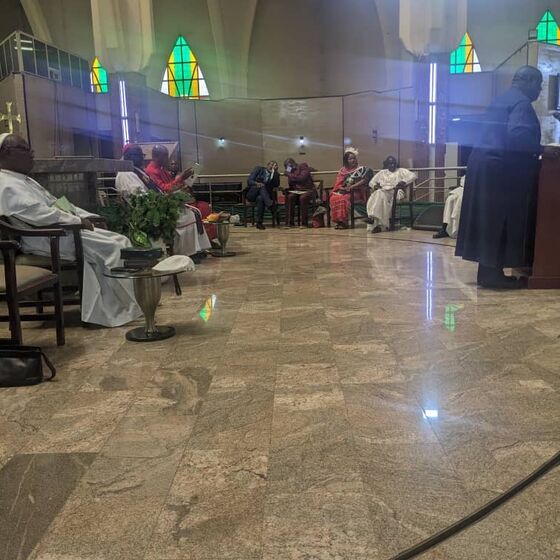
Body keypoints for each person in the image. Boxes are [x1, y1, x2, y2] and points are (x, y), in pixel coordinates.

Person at [0, 133, 141, 327]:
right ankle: (118, 307)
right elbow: (39, 214)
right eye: (25, 149)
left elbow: (58, 204)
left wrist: (88, 216)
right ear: (6, 153)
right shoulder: (6, 184)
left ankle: (128, 303)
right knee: (114, 248)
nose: (32, 154)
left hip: (61, 230)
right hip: (46, 238)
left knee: (121, 240)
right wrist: (77, 221)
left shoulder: (24, 180)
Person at [456, 65, 558, 289]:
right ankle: (492, 275)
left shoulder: (501, 99)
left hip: (484, 164)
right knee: (499, 220)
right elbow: (518, 137)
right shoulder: (521, 104)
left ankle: (488, 272)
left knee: (489, 221)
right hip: (500, 170)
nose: (540, 90)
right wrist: (544, 150)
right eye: (539, 85)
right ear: (529, 82)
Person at [115, 144, 211, 257]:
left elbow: (157, 190)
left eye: (141, 155)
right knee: (188, 215)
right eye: (137, 155)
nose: (141, 158)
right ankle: (186, 252)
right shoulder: (125, 174)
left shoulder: (138, 171)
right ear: (127, 157)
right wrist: (169, 194)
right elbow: (139, 199)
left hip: (157, 203)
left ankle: (195, 249)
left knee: (192, 212)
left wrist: (177, 190)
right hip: (148, 212)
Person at [145, 144, 217, 241]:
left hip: (174, 197)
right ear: (156, 156)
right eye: (165, 156)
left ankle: (207, 239)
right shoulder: (151, 171)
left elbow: (172, 184)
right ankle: (203, 240)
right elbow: (165, 189)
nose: (167, 159)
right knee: (201, 209)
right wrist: (181, 178)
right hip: (167, 203)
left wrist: (184, 183)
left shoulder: (161, 169)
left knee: (204, 206)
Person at [367, 156, 416, 233]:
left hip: (396, 192)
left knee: (379, 195)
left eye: (393, 163)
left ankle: (373, 218)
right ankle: (381, 225)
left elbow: (413, 175)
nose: (392, 165)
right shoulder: (382, 172)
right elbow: (371, 182)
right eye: (390, 163)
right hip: (383, 191)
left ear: (396, 163)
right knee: (380, 194)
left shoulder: (401, 171)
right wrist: (375, 186)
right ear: (386, 164)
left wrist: (404, 181)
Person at [330, 148, 372, 229]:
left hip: (356, 192)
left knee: (343, 198)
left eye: (354, 158)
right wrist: (341, 188)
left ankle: (344, 222)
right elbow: (338, 183)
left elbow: (365, 181)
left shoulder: (360, 169)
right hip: (344, 191)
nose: (353, 160)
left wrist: (352, 187)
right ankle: (339, 221)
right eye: (350, 159)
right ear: (346, 161)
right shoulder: (342, 170)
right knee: (333, 197)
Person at [246, 160, 280, 230]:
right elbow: (249, 180)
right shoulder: (259, 169)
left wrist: (274, 173)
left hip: (264, 196)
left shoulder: (275, 174)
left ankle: (259, 223)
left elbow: (276, 185)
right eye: (271, 164)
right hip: (253, 193)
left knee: (260, 199)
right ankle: (270, 205)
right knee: (261, 186)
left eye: (275, 165)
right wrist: (256, 183)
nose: (272, 166)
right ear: (267, 165)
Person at [283, 158, 316, 227]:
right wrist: (289, 175)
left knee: (303, 198)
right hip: (297, 191)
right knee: (290, 197)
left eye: (288, 166)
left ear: (293, 163)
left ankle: (304, 223)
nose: (288, 168)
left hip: (308, 190)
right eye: (286, 167)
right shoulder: (290, 171)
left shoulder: (303, 166)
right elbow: (291, 183)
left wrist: (289, 174)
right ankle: (290, 223)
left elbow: (301, 179)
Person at [433, 174, 465, 239]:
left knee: (460, 200)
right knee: (450, 199)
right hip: (463, 188)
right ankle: (445, 228)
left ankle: (458, 229)